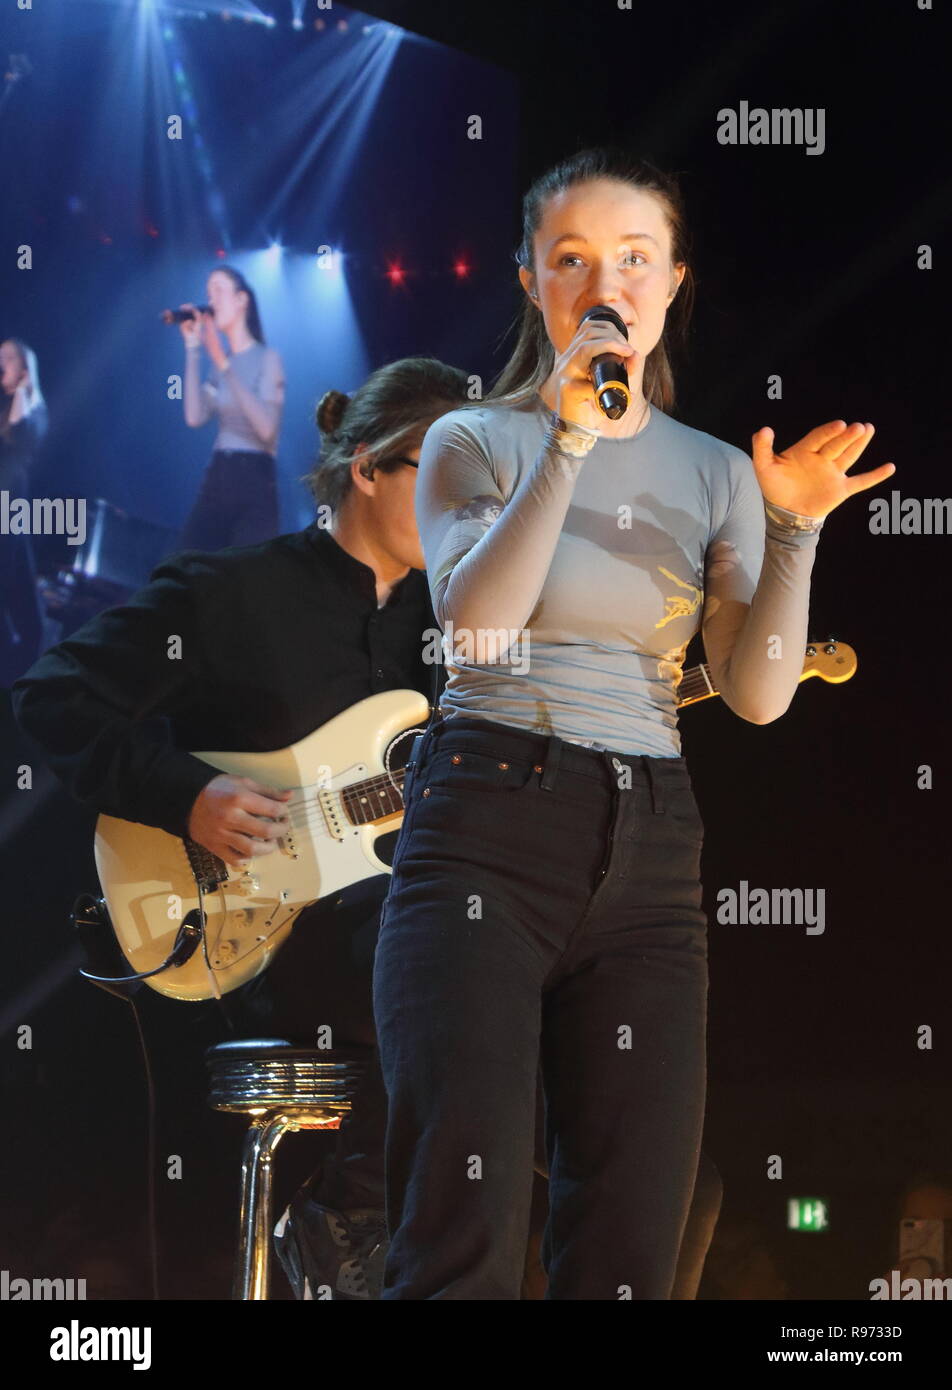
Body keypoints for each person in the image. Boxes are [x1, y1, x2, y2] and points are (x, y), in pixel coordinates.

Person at [12, 350, 726, 1301]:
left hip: (441, 938)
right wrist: (184, 793)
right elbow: (53, 694)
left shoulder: (476, 627)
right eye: (453, 479)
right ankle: (348, 1211)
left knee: (673, 1170)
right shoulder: (230, 594)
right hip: (268, 941)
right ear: (369, 468)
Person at [371, 146, 896, 1300]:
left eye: (633, 258)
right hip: (484, 825)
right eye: (572, 260)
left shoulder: (714, 472)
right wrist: (565, 442)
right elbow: (476, 634)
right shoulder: (473, 441)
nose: (604, 281)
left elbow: (754, 694)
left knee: (632, 1241)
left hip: (651, 841)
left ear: (671, 284)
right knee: (462, 1221)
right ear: (532, 284)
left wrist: (794, 529)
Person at [178, 265, 285, 550]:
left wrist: (223, 364)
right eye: (208, 293)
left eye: (218, 290)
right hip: (218, 476)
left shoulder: (268, 359)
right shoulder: (219, 363)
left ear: (241, 300)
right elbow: (194, 416)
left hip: (254, 480)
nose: (211, 300)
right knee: (184, 571)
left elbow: (267, 430)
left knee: (241, 583)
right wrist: (193, 349)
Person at [0, 337, 49, 685]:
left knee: (29, 615)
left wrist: (21, 390)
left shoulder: (35, 410)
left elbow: (20, 435)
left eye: (7, 357)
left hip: (12, 512)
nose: (0, 362)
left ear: (24, 368)